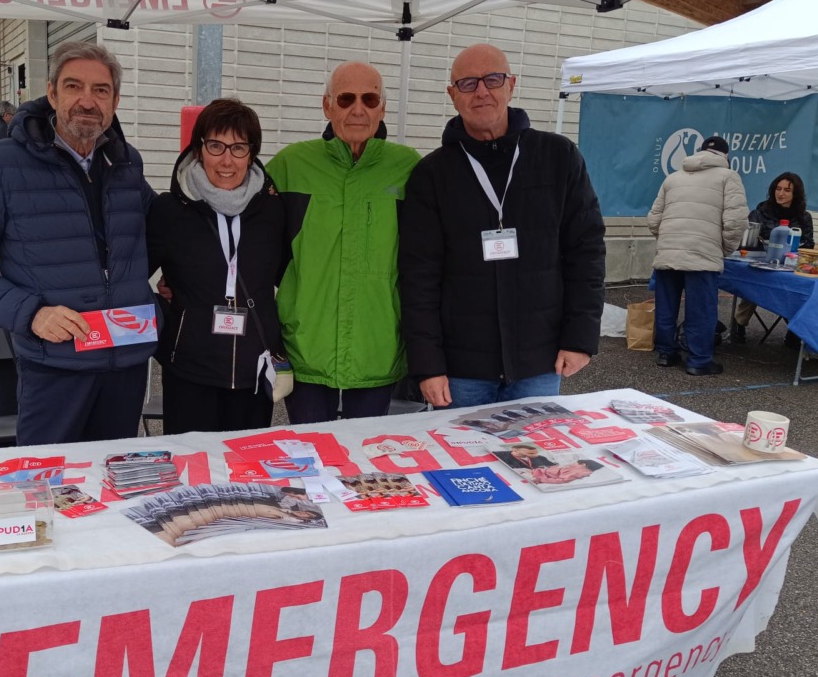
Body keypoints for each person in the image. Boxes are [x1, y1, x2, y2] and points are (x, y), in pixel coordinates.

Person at [0, 42, 156, 446]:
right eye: (74, 86)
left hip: (125, 365)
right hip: (55, 367)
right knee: (50, 490)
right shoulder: (0, 166)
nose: (87, 101)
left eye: (101, 90)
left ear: (115, 100)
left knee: (114, 486)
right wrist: (31, 313)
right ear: (52, 93)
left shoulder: (125, 163)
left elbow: (153, 237)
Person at [399, 44, 606, 408]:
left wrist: (580, 338)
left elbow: (586, 253)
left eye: (492, 79)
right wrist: (427, 365)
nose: (481, 91)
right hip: (461, 369)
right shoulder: (432, 175)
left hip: (539, 362)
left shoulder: (558, 158)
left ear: (511, 85)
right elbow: (419, 277)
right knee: (461, 461)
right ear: (452, 95)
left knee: (531, 459)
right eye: (467, 83)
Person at [265, 61, 422, 424]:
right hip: (306, 345)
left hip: (377, 346)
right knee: (311, 456)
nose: (358, 109)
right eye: (346, 98)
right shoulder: (291, 164)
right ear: (327, 106)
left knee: (364, 460)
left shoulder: (408, 167)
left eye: (369, 99)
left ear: (382, 108)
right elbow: (252, 237)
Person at [147, 98, 284, 434]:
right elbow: (132, 277)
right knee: (192, 470)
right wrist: (165, 321)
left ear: (252, 153)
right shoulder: (170, 211)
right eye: (216, 146)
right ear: (199, 149)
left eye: (238, 148)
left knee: (247, 470)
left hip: (254, 369)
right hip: (190, 369)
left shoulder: (273, 211)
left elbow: (289, 275)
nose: (226, 160)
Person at [647, 135, 747, 376]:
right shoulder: (729, 177)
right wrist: (723, 249)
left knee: (667, 307)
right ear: (726, 156)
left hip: (669, 252)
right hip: (703, 254)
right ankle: (698, 360)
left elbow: (653, 219)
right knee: (701, 310)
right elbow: (735, 222)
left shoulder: (673, 177)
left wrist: (669, 240)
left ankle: (666, 353)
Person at [731, 172, 815, 343]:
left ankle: (795, 330)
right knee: (753, 284)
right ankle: (739, 324)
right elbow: (748, 243)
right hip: (761, 264)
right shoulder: (759, 213)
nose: (781, 193)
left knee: (798, 289)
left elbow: (809, 245)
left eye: (787, 190)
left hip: (790, 267)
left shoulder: (804, 217)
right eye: (778, 189)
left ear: (795, 194)